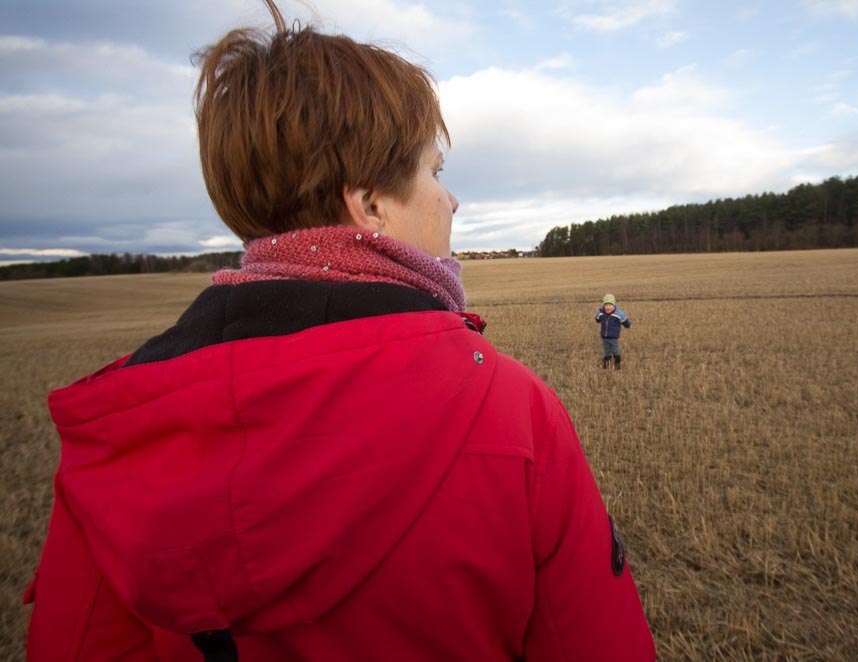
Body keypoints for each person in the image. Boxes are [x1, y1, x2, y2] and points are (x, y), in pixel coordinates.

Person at [23, 2, 655, 660]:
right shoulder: (513, 414)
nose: (452, 199)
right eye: (434, 172)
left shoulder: (120, 429)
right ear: (372, 204)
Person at [595, 293, 631, 369]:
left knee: (615, 351)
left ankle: (617, 364)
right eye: (606, 305)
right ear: (603, 305)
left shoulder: (618, 314)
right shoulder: (601, 313)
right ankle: (606, 364)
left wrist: (628, 325)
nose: (608, 307)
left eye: (610, 305)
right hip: (604, 336)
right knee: (606, 351)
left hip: (613, 337)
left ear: (614, 305)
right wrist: (597, 316)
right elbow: (597, 319)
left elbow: (625, 321)